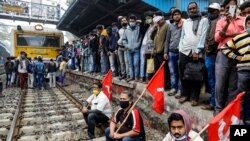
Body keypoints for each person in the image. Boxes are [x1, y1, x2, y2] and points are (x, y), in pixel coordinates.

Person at [214, 0, 245, 115]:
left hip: (238, 54)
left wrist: (227, 35)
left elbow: (246, 34)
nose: (230, 8)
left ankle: (229, 110)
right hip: (223, 53)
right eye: (228, 6)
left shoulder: (243, 20)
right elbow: (217, 38)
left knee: (233, 85)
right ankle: (218, 110)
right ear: (225, 8)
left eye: (233, 5)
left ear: (236, 6)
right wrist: (227, 23)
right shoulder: (221, 21)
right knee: (220, 84)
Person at [221, 15, 250, 125]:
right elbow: (224, 48)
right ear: (245, 24)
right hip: (243, 71)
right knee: (241, 96)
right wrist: (236, 57)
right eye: (249, 23)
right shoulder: (240, 37)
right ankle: (240, 118)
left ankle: (248, 117)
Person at [178, 2, 208, 106]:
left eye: (194, 8)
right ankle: (185, 95)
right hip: (184, 51)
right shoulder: (186, 21)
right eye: (190, 9)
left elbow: (203, 36)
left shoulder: (203, 20)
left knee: (196, 75)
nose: (192, 10)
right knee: (183, 74)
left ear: (197, 8)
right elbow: (182, 35)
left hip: (196, 52)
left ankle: (195, 97)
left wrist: (197, 50)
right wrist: (180, 47)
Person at [201, 3, 221, 111]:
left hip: (212, 54)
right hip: (210, 54)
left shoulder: (217, 22)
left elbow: (213, 40)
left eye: (211, 11)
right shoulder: (211, 21)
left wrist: (207, 50)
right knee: (211, 79)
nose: (209, 13)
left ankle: (213, 103)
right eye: (208, 10)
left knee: (213, 79)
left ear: (217, 11)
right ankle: (212, 100)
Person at [164, 8, 183, 97]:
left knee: (180, 72)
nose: (176, 16)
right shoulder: (170, 26)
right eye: (175, 15)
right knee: (172, 72)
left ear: (180, 15)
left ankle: (180, 90)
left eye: (178, 14)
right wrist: (165, 52)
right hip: (171, 52)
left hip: (180, 52)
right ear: (172, 16)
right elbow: (167, 40)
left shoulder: (184, 25)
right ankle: (173, 88)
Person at [123, 14, 142, 82]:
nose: (132, 22)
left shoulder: (138, 28)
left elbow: (140, 37)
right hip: (129, 50)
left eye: (133, 21)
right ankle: (131, 76)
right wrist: (127, 46)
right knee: (130, 64)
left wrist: (138, 45)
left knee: (136, 64)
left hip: (136, 49)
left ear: (135, 21)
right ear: (128, 21)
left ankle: (136, 77)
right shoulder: (126, 30)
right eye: (130, 21)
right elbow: (124, 39)